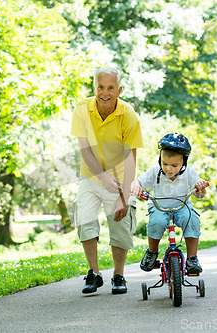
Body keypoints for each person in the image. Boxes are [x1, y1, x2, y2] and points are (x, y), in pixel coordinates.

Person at [70, 66, 143, 294]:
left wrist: (123, 196)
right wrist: (102, 177)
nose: (105, 92)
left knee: (120, 220)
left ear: (119, 90)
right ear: (95, 87)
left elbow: (131, 157)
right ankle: (94, 273)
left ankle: (119, 275)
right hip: (91, 174)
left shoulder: (128, 114)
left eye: (110, 88)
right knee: (84, 216)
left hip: (121, 176)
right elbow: (84, 149)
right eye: (100, 87)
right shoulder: (82, 108)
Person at [131, 133, 208, 274]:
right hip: (160, 207)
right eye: (164, 163)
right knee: (157, 221)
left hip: (182, 206)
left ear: (184, 163)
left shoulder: (189, 172)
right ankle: (152, 253)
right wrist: (136, 185)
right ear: (160, 159)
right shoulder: (155, 171)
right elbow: (139, 181)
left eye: (174, 165)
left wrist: (200, 188)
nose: (168, 168)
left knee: (191, 219)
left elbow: (200, 194)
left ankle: (192, 258)